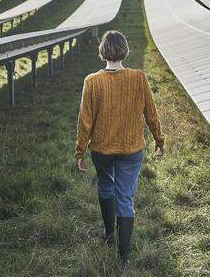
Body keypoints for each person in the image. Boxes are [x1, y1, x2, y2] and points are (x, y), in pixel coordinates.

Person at [74, 30, 164, 265]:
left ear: (102, 51)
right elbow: (151, 113)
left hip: (101, 150)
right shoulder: (139, 77)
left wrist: (80, 151)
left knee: (105, 185)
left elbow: (85, 120)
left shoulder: (92, 81)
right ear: (125, 50)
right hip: (131, 148)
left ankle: (109, 233)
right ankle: (123, 258)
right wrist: (159, 140)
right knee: (125, 197)